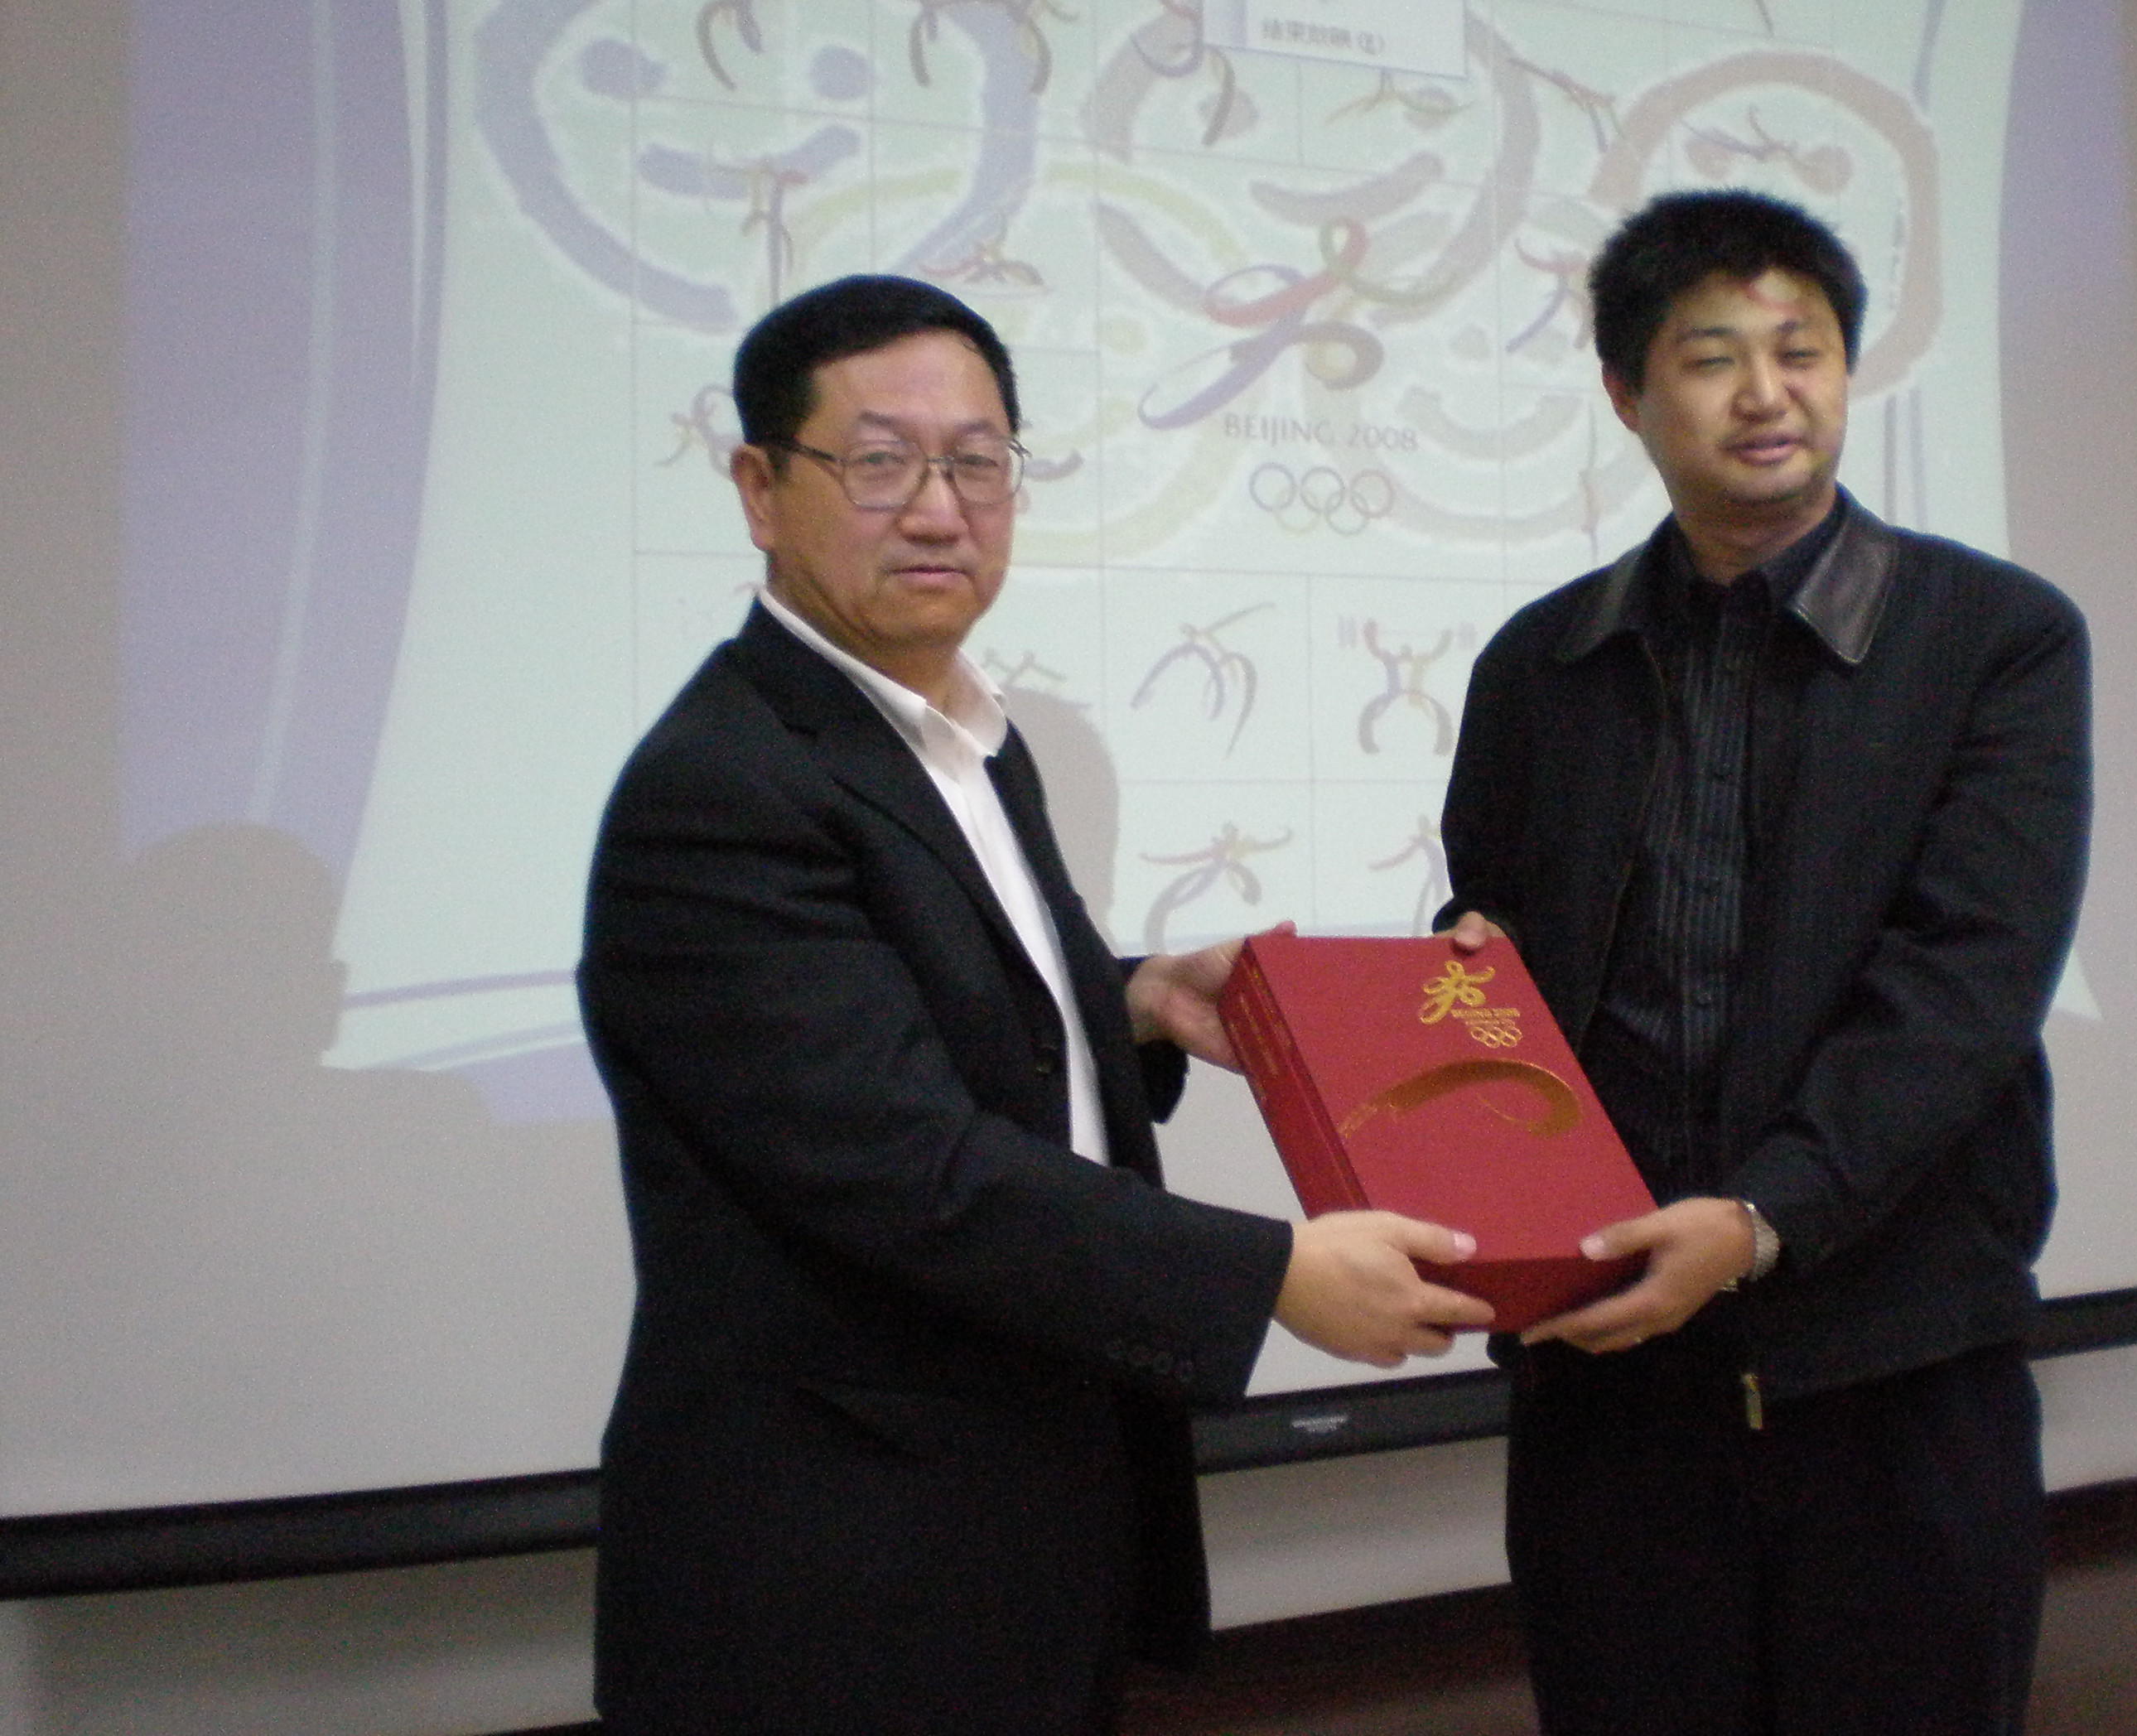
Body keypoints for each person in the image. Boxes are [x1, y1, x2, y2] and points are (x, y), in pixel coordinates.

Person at [578, 274, 1492, 1736]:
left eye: (978, 462)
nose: (940, 511)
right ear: (760, 489)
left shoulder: (968, 742)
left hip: (1021, 1500)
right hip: (836, 1557)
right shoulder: (726, 786)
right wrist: (1270, 1276)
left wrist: (1131, 1001)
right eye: (879, 462)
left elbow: (924, 1007)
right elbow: (899, 1163)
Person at [1437, 190, 2091, 1735]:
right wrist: (1462, 1005)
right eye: (1711, 356)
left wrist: (1761, 1220)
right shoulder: (1541, 660)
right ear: (1627, 394)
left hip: (1896, 1362)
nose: (1765, 393)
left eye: (1801, 351)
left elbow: (1968, 985)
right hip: (1608, 1366)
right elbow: (1486, 947)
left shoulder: (1994, 638)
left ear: (1848, 373)